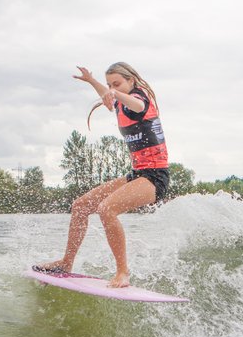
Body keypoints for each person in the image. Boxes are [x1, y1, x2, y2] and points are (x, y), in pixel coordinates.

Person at [34, 62, 170, 287]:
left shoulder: (140, 98)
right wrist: (93, 82)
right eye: (109, 84)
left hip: (155, 177)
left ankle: (123, 273)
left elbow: (137, 106)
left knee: (107, 209)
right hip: (137, 175)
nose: (111, 88)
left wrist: (113, 92)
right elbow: (110, 96)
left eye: (117, 83)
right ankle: (66, 263)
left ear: (131, 81)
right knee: (80, 206)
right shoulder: (119, 101)